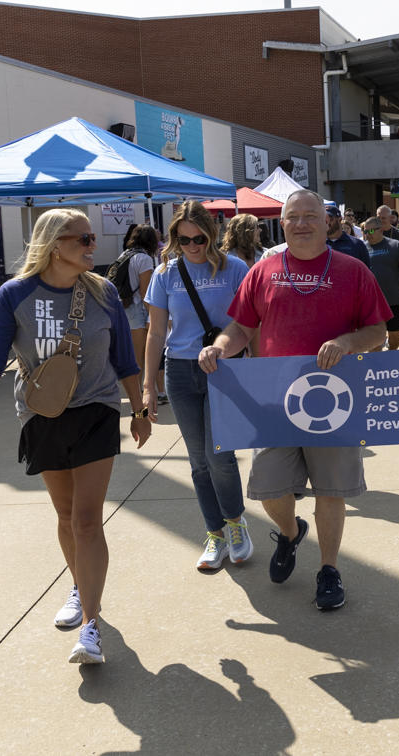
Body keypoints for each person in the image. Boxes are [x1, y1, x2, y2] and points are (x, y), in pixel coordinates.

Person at [0, 208, 151, 664]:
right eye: (83, 238)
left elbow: (125, 359)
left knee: (87, 519)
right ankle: (78, 582)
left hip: (97, 410)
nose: (93, 245)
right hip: (41, 414)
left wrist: (140, 410)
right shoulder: (15, 294)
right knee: (67, 514)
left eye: (92, 237)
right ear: (53, 243)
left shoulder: (103, 292)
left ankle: (91, 625)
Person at [199, 189, 391, 611]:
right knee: (268, 488)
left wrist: (345, 341)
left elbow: (378, 332)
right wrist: (218, 347)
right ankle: (289, 533)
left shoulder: (353, 270)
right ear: (281, 224)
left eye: (310, 216)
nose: (301, 223)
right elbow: (240, 329)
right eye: (293, 217)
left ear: (327, 222)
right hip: (275, 402)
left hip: (335, 401)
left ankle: (329, 569)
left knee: (330, 489)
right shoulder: (263, 270)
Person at [143, 202, 251, 571]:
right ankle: (215, 533)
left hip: (225, 370)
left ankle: (236, 524)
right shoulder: (165, 274)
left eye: (199, 238)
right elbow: (157, 332)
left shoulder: (235, 269)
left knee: (218, 456)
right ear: (174, 237)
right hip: (179, 371)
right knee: (197, 461)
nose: (192, 245)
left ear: (212, 234)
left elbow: (249, 323)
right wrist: (147, 386)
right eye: (183, 238)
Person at [116, 225, 159, 393]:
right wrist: (153, 314)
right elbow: (145, 291)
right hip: (137, 310)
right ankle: (138, 391)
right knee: (139, 355)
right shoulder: (144, 259)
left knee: (130, 353)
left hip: (123, 307)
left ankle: (135, 390)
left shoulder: (124, 254)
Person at [362, 216, 399, 351]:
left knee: (396, 335)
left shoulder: (395, 246)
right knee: (374, 339)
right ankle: (378, 366)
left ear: (381, 230)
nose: (367, 234)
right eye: (365, 231)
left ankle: (391, 352)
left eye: (371, 231)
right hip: (372, 303)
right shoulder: (362, 248)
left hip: (394, 300)